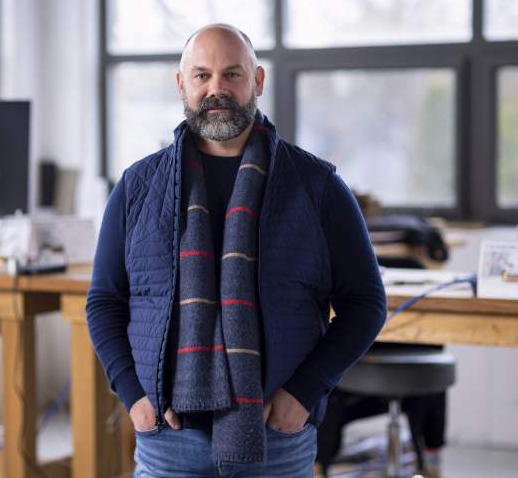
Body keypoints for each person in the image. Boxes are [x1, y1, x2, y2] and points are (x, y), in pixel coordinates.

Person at [86, 23, 387, 478]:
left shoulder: (317, 186)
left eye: (232, 74)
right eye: (201, 75)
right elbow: (105, 302)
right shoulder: (137, 188)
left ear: (258, 81)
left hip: (277, 438)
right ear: (180, 84)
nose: (216, 89)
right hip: (168, 438)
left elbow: (365, 304)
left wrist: (302, 395)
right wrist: (135, 399)